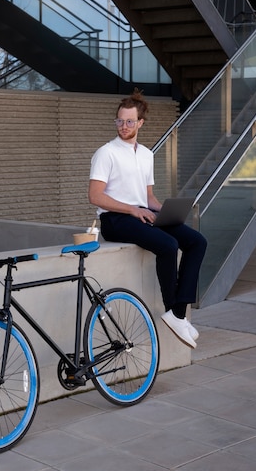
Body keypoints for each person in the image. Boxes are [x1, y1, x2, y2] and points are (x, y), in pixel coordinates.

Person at [88, 89, 207, 348]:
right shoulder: (106, 153)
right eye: (119, 120)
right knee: (168, 245)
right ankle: (172, 310)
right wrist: (133, 209)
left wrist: (164, 210)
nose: (123, 126)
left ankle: (178, 312)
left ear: (140, 123)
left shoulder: (146, 154)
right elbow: (95, 197)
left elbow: (148, 197)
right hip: (116, 220)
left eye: (129, 121)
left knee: (196, 241)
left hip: (142, 214)